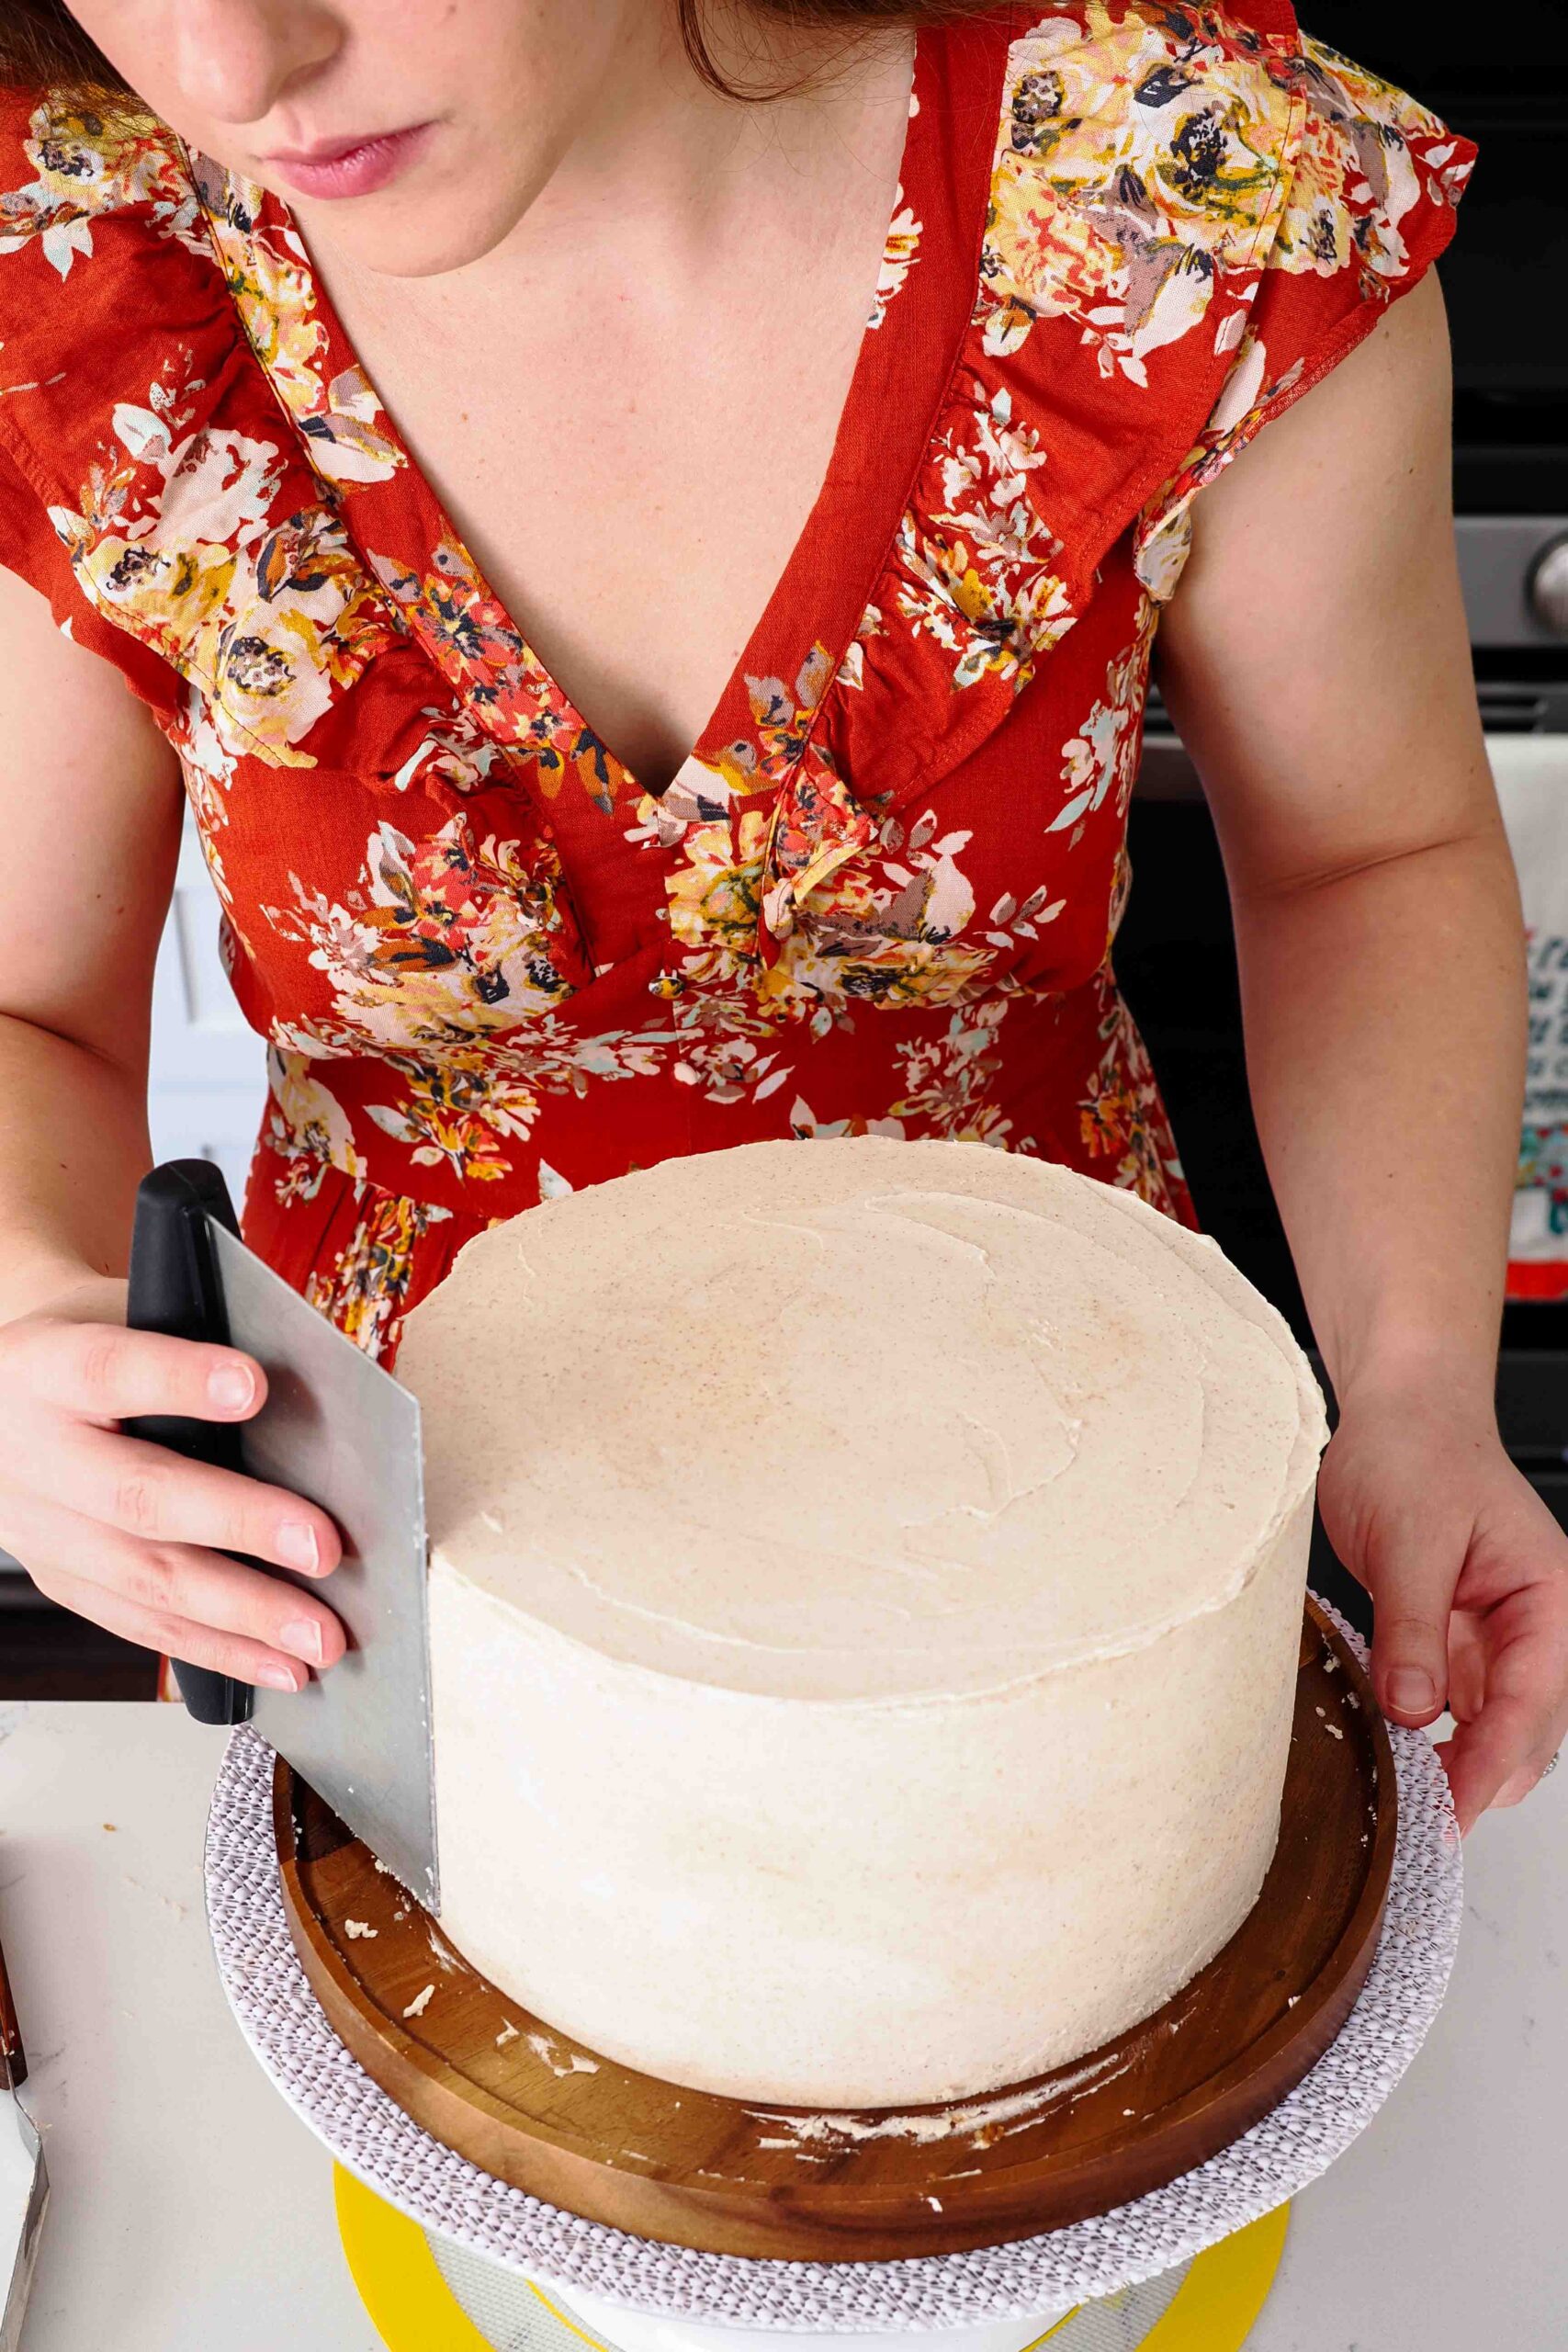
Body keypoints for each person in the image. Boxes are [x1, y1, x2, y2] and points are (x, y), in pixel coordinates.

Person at [0, 0, 1558, 1830]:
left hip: (1055, 1504)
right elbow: (32, 1008)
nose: (225, 71)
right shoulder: (77, 265)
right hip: (400, 1551)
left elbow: (1358, 861)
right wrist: (31, 1324)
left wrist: (1408, 1381)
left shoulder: (1188, 193)